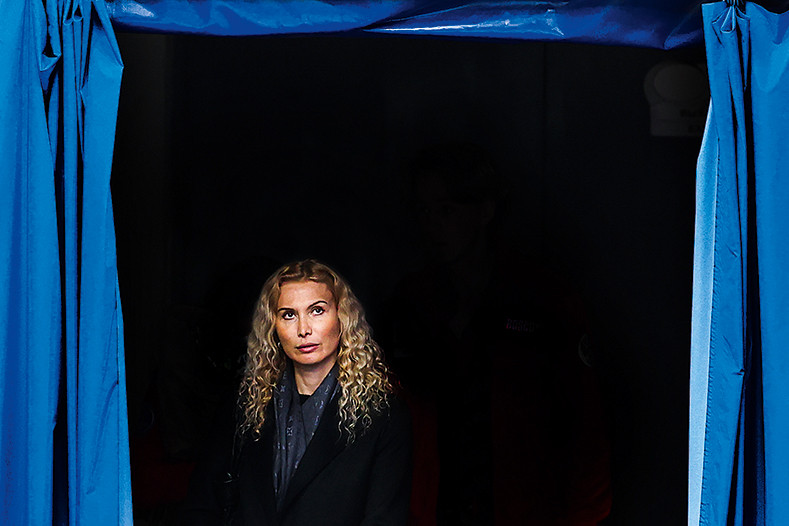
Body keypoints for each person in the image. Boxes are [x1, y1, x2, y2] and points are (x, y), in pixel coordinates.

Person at [182, 259, 412, 526]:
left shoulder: (383, 416)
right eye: (288, 315)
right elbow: (202, 505)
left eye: (317, 311)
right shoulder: (244, 406)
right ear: (273, 326)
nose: (304, 330)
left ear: (342, 317)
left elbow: (384, 519)